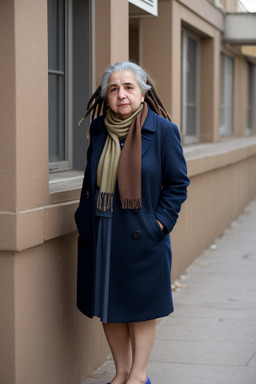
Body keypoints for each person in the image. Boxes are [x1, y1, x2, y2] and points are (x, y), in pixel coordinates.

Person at [75, 62, 190, 384]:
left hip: (142, 233)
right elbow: (91, 180)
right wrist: (83, 220)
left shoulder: (164, 131)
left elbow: (177, 184)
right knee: (108, 304)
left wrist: (160, 224)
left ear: (143, 93)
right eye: (113, 89)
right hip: (102, 231)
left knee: (140, 306)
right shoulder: (99, 129)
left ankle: (138, 376)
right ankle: (121, 372)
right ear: (106, 96)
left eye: (128, 87)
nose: (121, 94)